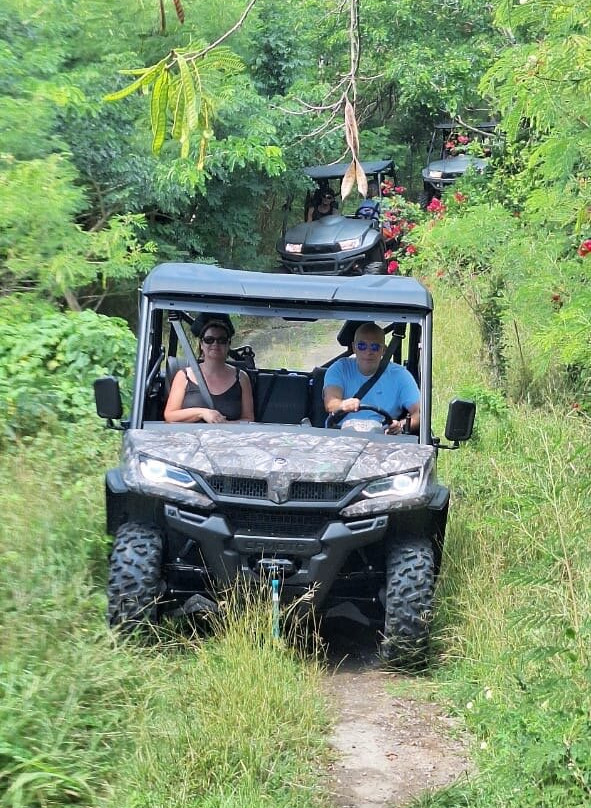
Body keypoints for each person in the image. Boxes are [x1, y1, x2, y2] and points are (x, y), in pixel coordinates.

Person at [323, 322, 420, 434]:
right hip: (340, 436)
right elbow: (331, 403)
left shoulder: (401, 376)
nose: (368, 352)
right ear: (354, 348)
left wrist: (401, 426)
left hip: (383, 438)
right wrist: (343, 405)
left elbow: (419, 413)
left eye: (375, 347)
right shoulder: (340, 368)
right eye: (362, 346)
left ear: (383, 350)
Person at [164, 318, 254, 424]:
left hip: (229, 434)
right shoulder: (184, 376)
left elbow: (248, 419)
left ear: (228, 345)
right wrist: (202, 413)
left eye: (222, 340)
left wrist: (225, 425)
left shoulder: (242, 377)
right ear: (201, 344)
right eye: (209, 340)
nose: (215, 344)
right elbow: (169, 415)